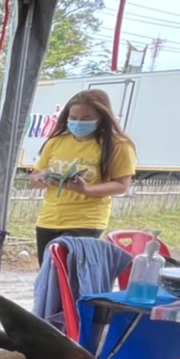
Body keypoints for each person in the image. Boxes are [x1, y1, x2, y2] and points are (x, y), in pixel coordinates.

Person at [28, 88, 136, 262]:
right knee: (49, 275)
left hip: (86, 221)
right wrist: (41, 178)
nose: (78, 123)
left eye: (86, 118)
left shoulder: (118, 145)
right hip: (49, 219)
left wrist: (85, 189)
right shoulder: (56, 142)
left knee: (71, 276)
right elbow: (34, 179)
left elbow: (121, 185)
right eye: (73, 118)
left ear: (102, 117)